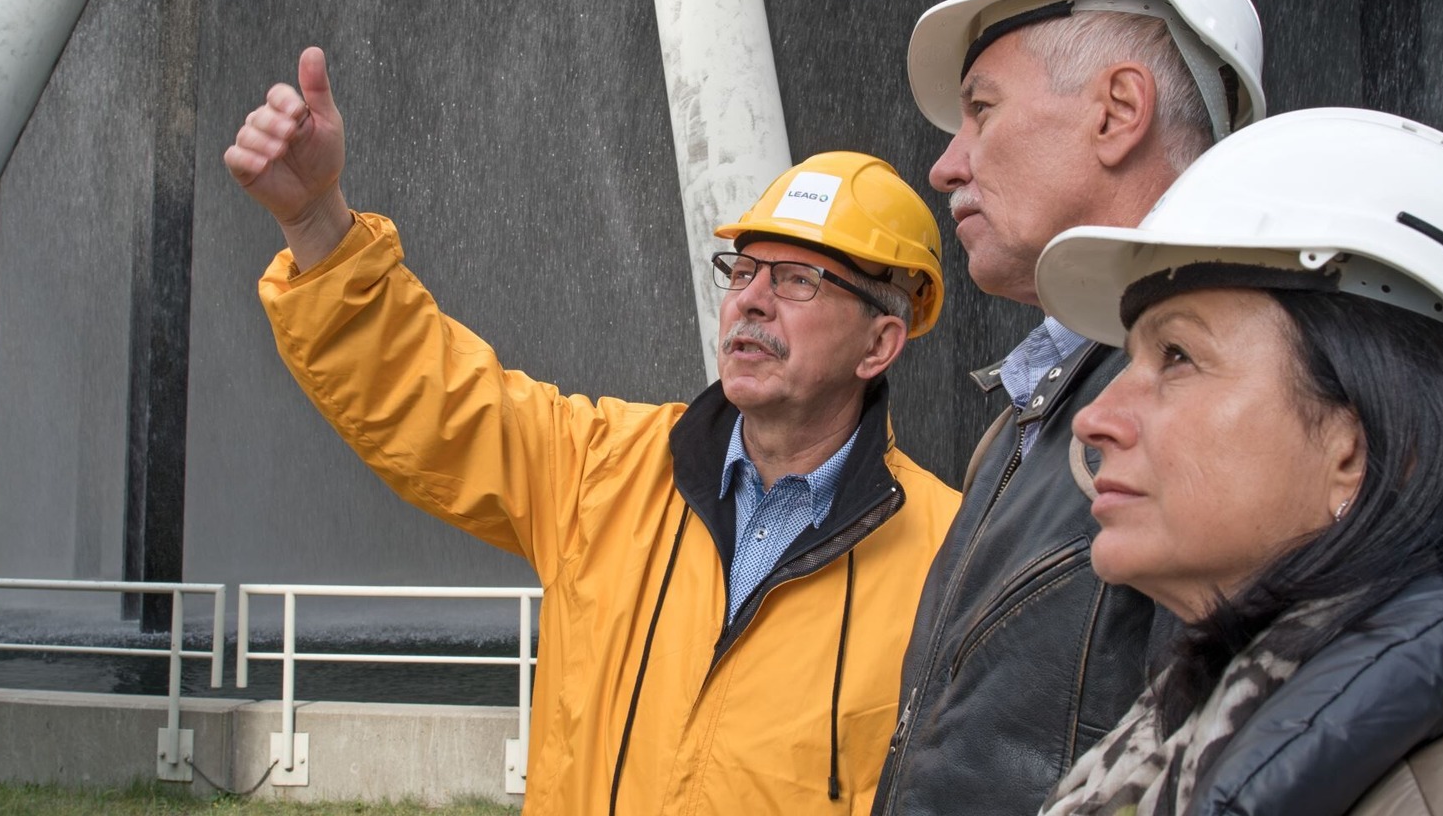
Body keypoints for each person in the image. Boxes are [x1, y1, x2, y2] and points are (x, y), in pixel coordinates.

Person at [223, 47, 961, 815]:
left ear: (879, 344)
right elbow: (430, 397)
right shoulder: (603, 470)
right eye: (743, 271)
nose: (751, 300)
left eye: (799, 280)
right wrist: (314, 220)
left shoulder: (953, 557)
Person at [1030, 106, 1443, 815]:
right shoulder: (1195, 740)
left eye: (1177, 356)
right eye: (1132, 360)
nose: (1094, 418)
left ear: (1361, 450)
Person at [873, 0, 1267, 815]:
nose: (944, 166)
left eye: (981, 110)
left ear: (1118, 111)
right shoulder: (1038, 409)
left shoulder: (1218, 415)